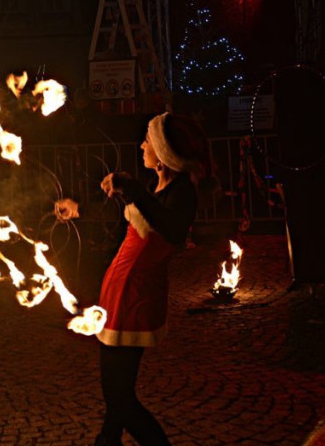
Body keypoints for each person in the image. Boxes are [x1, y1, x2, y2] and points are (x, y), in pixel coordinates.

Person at [94, 112, 208, 446]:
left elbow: (170, 228)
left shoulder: (182, 192)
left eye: (147, 140)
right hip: (123, 293)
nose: (142, 144)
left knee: (118, 397)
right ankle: (106, 441)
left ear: (161, 154)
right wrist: (81, 208)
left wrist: (132, 190)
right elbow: (142, 215)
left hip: (134, 299)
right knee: (119, 390)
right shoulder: (161, 186)